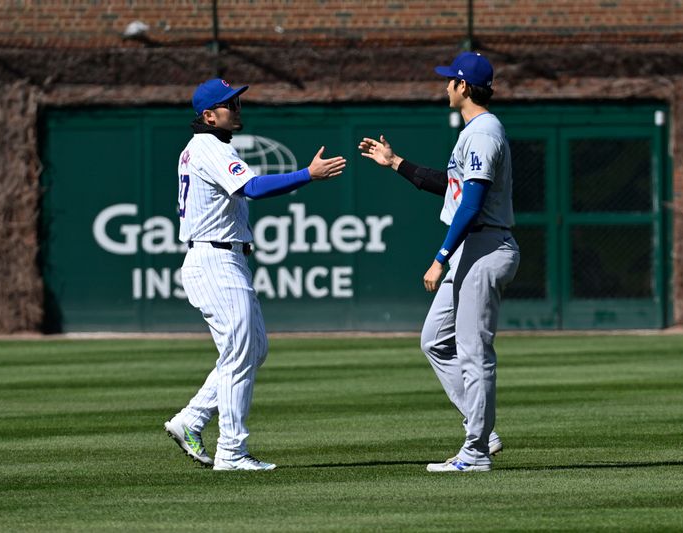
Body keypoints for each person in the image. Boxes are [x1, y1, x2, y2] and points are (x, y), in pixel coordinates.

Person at [165, 78, 346, 471]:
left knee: (252, 350)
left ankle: (191, 420)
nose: (237, 109)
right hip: (214, 259)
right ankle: (231, 451)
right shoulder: (208, 147)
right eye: (229, 104)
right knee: (239, 354)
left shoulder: (205, 147)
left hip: (224, 258)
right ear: (209, 115)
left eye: (237, 102)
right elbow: (254, 187)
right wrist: (306, 175)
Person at [358, 52, 519, 473]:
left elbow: (472, 203)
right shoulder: (473, 131)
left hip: (483, 248)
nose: (444, 86)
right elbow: (449, 187)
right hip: (474, 246)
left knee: (473, 351)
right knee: (434, 340)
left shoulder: (484, 133)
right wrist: (395, 163)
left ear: (463, 87)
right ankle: (482, 429)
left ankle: (476, 451)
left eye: (449, 80)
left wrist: (440, 257)